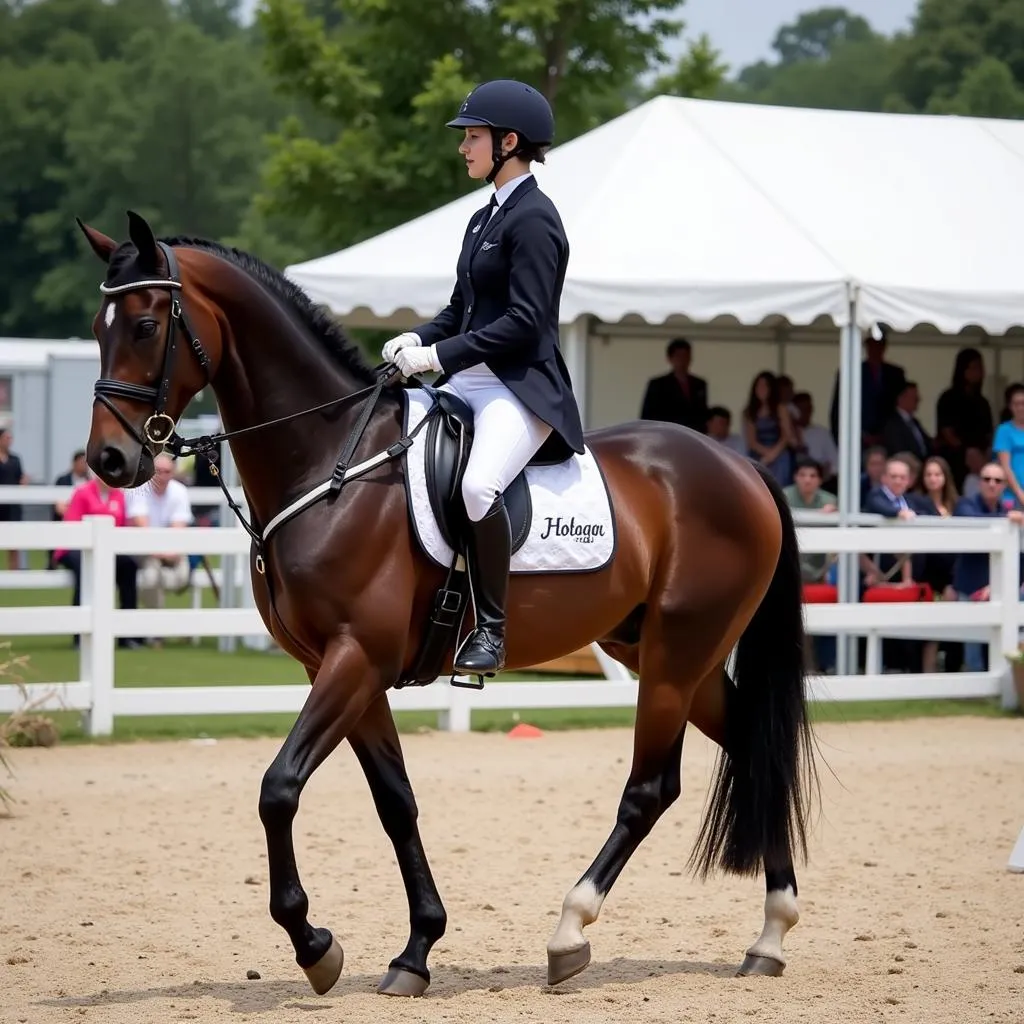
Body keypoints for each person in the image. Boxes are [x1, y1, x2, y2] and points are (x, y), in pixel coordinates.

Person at [379, 79, 585, 676]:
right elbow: (458, 310)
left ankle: (491, 629)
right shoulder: (481, 219)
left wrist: (441, 358)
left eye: (472, 137)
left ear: (508, 142)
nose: (463, 148)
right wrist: (418, 337)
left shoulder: (537, 220)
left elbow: (525, 323)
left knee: (477, 488)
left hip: (519, 388)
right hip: (470, 377)